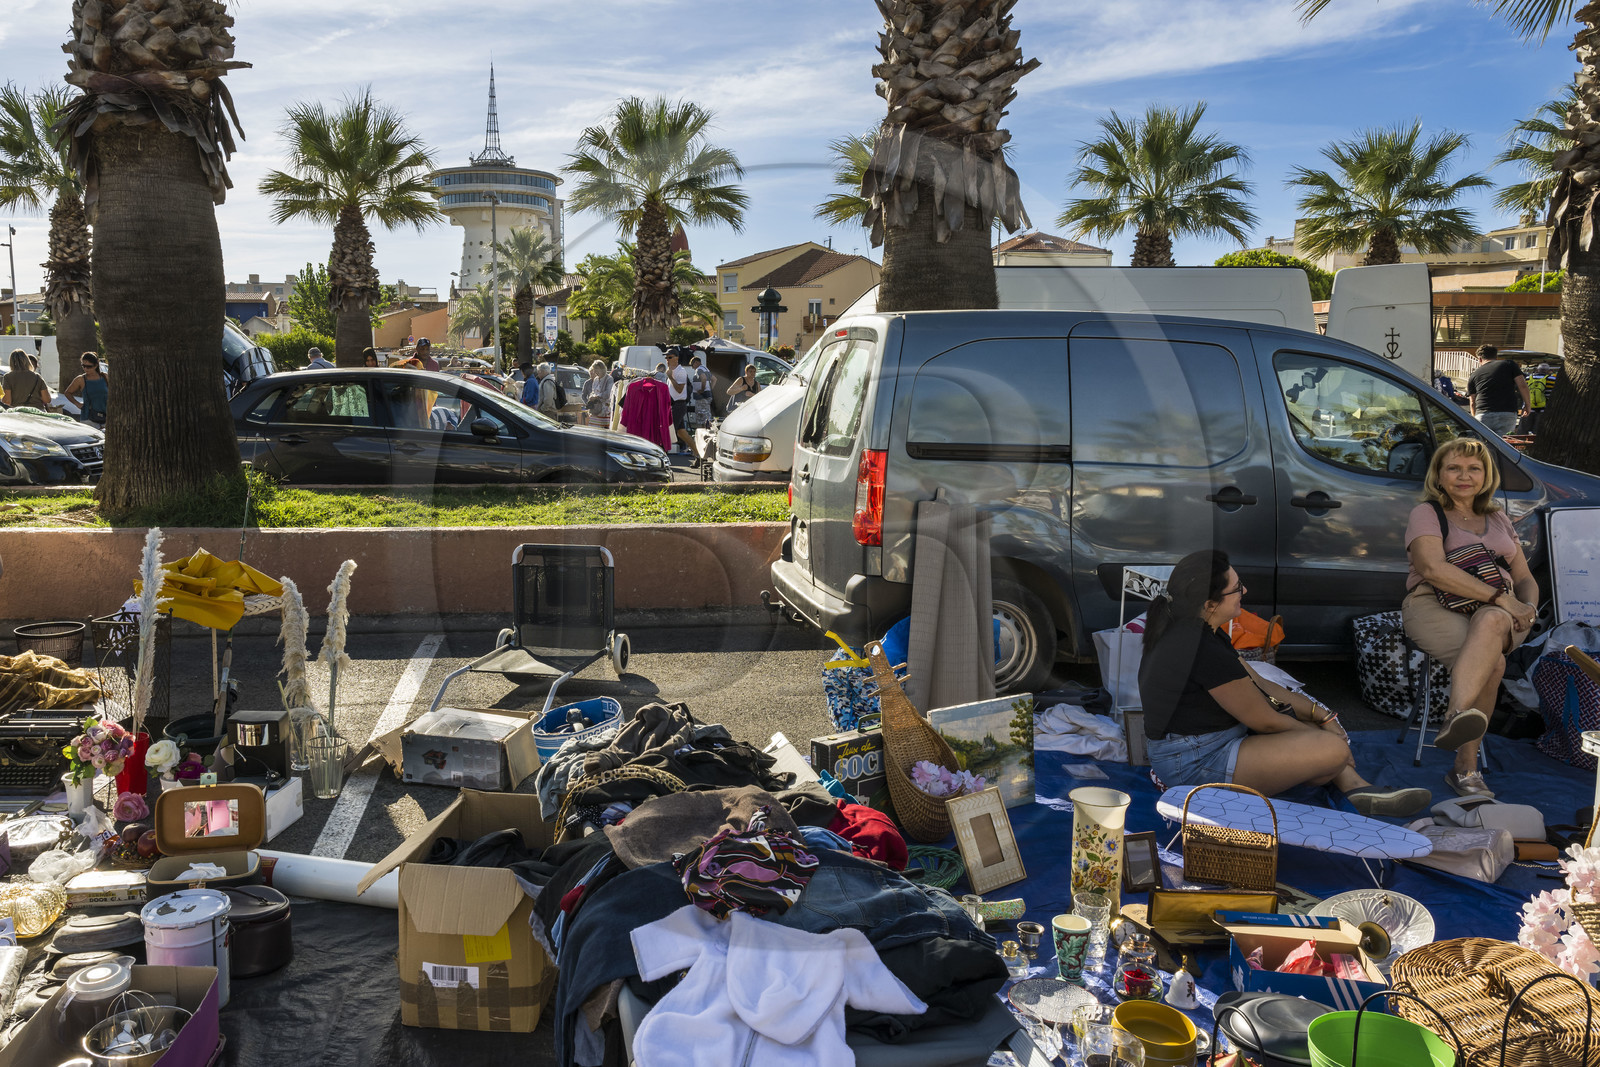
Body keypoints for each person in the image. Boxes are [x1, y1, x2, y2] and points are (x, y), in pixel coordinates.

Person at [1140, 549, 1432, 816]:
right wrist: (1320, 738)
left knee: (1312, 725)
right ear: (1210, 604)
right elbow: (1264, 720)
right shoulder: (1200, 647)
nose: (1245, 591)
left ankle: (1356, 787)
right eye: (1237, 588)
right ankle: (1346, 778)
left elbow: (1262, 684)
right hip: (1194, 763)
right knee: (1333, 750)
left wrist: (1323, 715)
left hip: (1213, 742)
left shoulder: (1200, 629)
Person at [1402, 437, 1538, 798]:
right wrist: (1502, 599)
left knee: (1493, 623)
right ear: (1439, 475)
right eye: (1454, 468)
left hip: (1503, 611)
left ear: (1486, 475)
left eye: (1473, 468)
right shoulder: (1427, 513)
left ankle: (1456, 717)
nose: (1464, 476)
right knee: (1492, 664)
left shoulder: (1497, 517)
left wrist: (1529, 607)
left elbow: (1524, 578)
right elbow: (1432, 569)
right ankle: (1466, 766)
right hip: (1435, 604)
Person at [1466, 344, 1529, 437]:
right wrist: (1527, 405)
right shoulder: (1509, 364)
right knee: (1502, 446)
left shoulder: (1474, 374)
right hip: (1507, 413)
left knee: (1483, 446)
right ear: (1496, 356)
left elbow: (1472, 401)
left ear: (1479, 359)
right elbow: (1522, 385)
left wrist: (1475, 419)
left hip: (1483, 414)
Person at [663, 349, 700, 461]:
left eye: (670, 357)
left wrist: (670, 377)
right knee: (682, 433)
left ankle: (661, 457)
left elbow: (679, 389)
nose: (667, 360)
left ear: (676, 358)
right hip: (673, 405)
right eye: (666, 357)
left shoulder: (680, 371)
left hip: (678, 405)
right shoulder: (671, 371)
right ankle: (699, 454)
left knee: (668, 431)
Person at [64, 353, 108, 425]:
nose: (85, 369)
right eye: (83, 366)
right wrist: (77, 404)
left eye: (89, 366)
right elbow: (67, 393)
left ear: (96, 365)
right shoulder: (80, 379)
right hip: (88, 418)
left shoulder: (105, 377)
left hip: (106, 417)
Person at [582, 358, 612, 427]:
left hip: (604, 410)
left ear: (602, 369)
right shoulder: (595, 379)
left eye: (596, 370)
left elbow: (608, 393)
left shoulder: (609, 379)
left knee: (602, 430)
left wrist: (597, 396)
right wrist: (591, 396)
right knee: (593, 429)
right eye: (594, 371)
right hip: (595, 409)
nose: (595, 373)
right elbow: (593, 391)